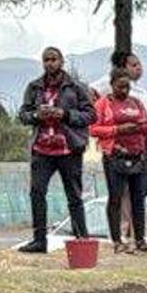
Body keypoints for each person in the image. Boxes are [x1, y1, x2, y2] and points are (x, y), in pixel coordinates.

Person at [17, 47, 95, 253]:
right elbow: (23, 114)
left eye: (53, 59)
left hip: (68, 149)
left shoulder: (76, 87)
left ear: (61, 61)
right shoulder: (34, 87)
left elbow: (90, 115)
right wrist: (36, 116)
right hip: (42, 150)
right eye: (46, 60)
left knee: (74, 196)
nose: (49, 63)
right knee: (37, 193)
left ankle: (82, 240)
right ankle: (39, 240)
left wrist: (65, 114)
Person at [90, 50, 147, 245]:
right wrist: (118, 129)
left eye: (127, 87)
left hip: (138, 155)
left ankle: (140, 238)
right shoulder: (103, 104)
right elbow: (94, 129)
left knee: (138, 198)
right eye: (120, 87)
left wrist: (140, 128)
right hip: (115, 155)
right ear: (111, 86)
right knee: (116, 197)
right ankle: (117, 239)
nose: (124, 91)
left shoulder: (137, 102)